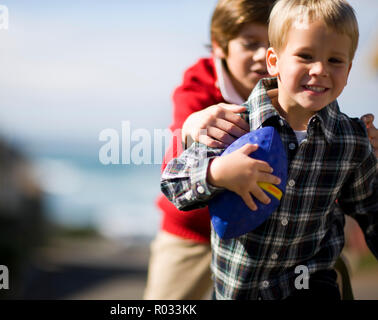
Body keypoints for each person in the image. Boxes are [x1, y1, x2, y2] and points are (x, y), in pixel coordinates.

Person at [160, 0, 377, 300]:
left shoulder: (352, 141)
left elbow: (369, 205)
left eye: (335, 61)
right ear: (273, 61)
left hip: (309, 283)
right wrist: (217, 172)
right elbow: (173, 180)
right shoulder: (231, 125)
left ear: (349, 68)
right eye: (305, 56)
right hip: (230, 274)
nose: (320, 70)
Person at [143, 0, 276, 300]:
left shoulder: (287, 84)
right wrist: (192, 126)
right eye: (250, 43)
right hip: (193, 231)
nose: (262, 56)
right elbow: (174, 162)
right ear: (220, 46)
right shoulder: (199, 86)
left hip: (256, 233)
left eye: (271, 44)